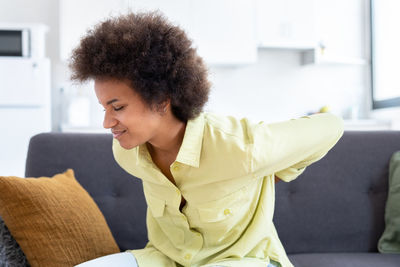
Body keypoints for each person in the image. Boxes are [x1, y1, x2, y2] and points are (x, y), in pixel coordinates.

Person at [69, 11, 344, 267]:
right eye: (103, 109)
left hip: (243, 259)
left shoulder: (239, 147)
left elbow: (331, 126)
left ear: (161, 99)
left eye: (117, 108)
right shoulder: (126, 153)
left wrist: (272, 172)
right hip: (167, 260)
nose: (106, 123)